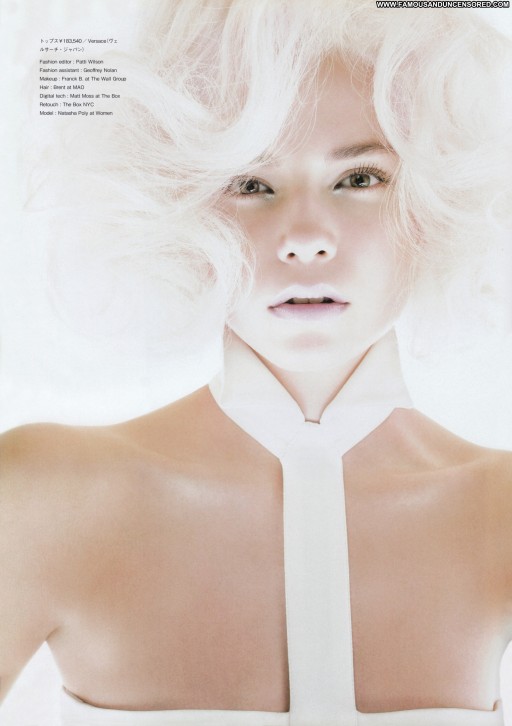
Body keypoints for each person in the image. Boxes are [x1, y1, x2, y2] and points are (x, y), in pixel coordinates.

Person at [1, 1, 511, 724]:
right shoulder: (51, 495)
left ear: (435, 198)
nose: (305, 236)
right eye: (250, 184)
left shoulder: (499, 508)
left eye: (360, 178)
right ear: (180, 208)